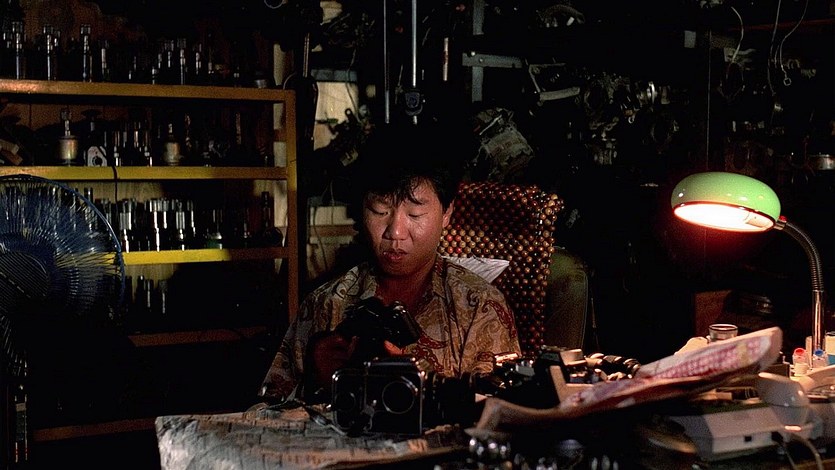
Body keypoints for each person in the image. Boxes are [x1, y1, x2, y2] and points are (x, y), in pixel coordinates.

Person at [259, 121, 521, 403]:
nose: (395, 232)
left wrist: (418, 387)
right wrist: (317, 380)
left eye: (415, 215)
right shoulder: (326, 304)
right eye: (379, 210)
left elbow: (502, 413)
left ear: (446, 213)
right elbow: (265, 412)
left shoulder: (480, 308)